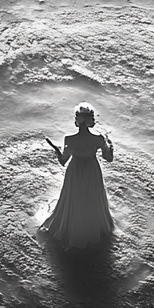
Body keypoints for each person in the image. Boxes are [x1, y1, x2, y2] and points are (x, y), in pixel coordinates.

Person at [41, 102, 115, 249]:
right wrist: (110, 143)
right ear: (91, 120)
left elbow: (63, 161)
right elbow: (109, 158)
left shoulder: (69, 139)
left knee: (74, 197)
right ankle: (92, 227)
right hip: (92, 171)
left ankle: (73, 226)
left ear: (77, 120)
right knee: (92, 198)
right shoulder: (98, 138)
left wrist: (56, 149)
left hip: (75, 171)